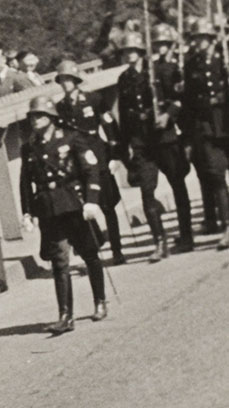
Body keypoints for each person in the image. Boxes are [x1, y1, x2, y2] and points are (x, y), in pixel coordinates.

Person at [19, 96, 108, 332]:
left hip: (74, 205)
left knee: (89, 254)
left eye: (39, 116)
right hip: (49, 209)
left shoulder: (71, 138)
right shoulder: (29, 147)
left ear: (51, 118)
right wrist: (27, 212)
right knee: (60, 261)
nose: (35, 120)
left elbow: (90, 171)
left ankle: (100, 301)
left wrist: (92, 201)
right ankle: (65, 315)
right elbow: (26, 183)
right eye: (32, 116)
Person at [116, 30, 193, 261]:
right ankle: (159, 241)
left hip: (164, 137)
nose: (129, 55)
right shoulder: (123, 79)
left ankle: (186, 234)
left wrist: (168, 116)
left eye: (132, 50)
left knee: (177, 185)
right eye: (126, 51)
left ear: (140, 51)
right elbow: (123, 113)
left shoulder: (158, 71)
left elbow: (178, 99)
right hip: (142, 142)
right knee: (147, 192)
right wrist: (124, 148)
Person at [55, 59, 127, 264]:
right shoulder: (60, 107)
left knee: (108, 206)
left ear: (76, 80)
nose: (65, 83)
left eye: (68, 79)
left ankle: (117, 249)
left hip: (99, 156)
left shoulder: (94, 99)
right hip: (78, 163)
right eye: (62, 80)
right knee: (84, 207)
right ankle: (94, 245)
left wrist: (114, 155)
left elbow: (110, 126)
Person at [183, 19, 229, 248]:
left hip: (227, 118)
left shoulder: (225, 56)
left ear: (211, 38)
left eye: (202, 37)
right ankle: (227, 225)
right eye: (196, 38)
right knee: (216, 175)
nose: (199, 42)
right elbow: (189, 101)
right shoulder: (192, 65)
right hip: (208, 126)